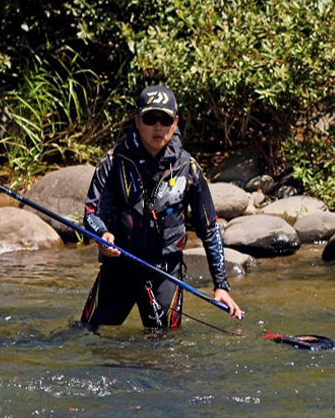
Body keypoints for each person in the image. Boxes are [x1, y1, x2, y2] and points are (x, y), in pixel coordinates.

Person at [80, 85, 242, 330]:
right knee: (89, 333)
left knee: (164, 349)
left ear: (175, 122)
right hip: (119, 269)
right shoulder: (114, 162)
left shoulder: (189, 168)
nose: (158, 126)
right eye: (150, 118)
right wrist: (102, 234)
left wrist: (220, 285)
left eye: (165, 119)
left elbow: (209, 229)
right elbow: (91, 213)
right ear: (137, 120)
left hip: (165, 274)